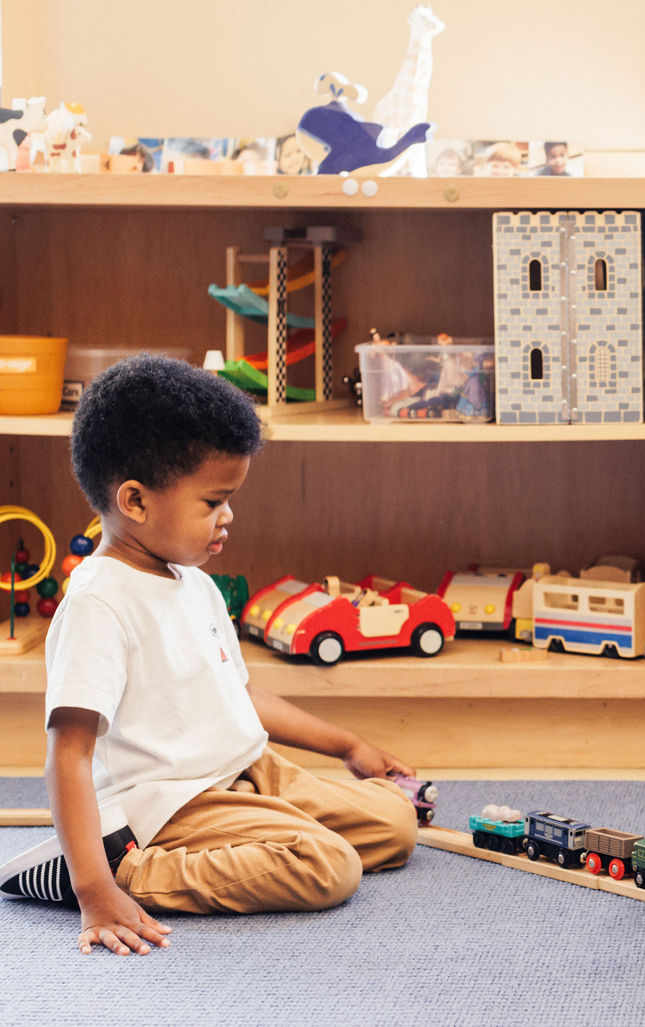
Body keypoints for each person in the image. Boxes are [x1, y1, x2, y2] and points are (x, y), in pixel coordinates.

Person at [0, 355, 418, 956]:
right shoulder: (99, 602)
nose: (229, 517)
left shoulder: (189, 577)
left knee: (396, 826)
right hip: (174, 802)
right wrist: (94, 890)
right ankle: (126, 870)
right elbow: (69, 753)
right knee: (331, 867)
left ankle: (258, 834)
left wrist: (347, 745)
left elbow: (240, 693)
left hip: (247, 770)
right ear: (136, 503)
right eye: (213, 502)